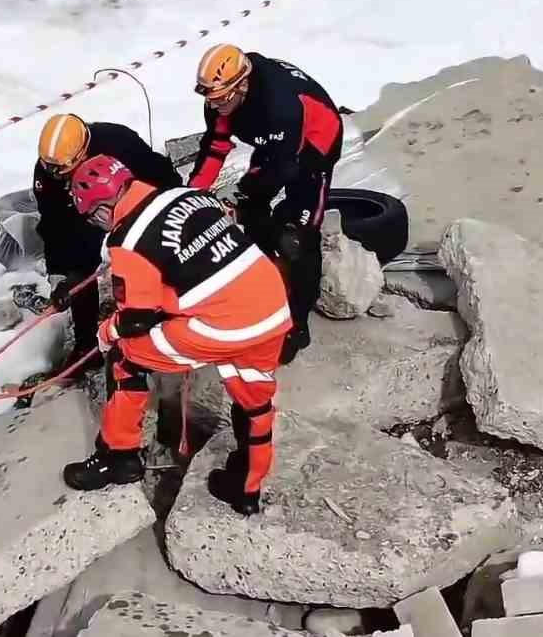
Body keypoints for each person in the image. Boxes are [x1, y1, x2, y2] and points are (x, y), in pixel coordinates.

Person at [60, 156, 288, 515]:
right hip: (271, 305)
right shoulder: (185, 195)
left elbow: (136, 319)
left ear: (102, 210)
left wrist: (107, 331)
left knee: (125, 356)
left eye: (91, 217)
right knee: (255, 400)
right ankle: (247, 486)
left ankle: (117, 457)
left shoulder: (129, 240)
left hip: (223, 323)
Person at [186, 44, 341, 364]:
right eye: (208, 98)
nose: (213, 105)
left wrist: (239, 194)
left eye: (219, 98)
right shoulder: (222, 101)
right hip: (275, 145)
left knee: (298, 237)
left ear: (241, 85)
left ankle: (297, 325)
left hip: (315, 145)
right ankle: (264, 278)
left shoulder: (278, 105)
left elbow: (283, 169)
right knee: (251, 210)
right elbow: (215, 146)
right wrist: (191, 195)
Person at [32, 113, 180, 374]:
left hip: (133, 208)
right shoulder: (49, 172)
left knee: (149, 261)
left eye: (68, 172)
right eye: (57, 173)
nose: (62, 177)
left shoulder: (119, 142)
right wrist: (60, 275)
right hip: (85, 217)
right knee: (78, 270)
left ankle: (165, 315)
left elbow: (160, 176)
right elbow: (53, 223)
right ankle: (87, 348)